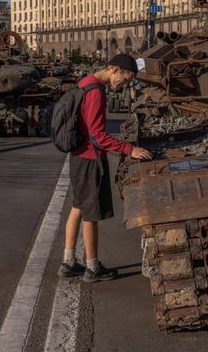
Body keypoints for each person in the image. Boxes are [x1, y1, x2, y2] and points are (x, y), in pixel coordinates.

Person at [58, 53, 153, 282]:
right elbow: (98, 136)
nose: (125, 84)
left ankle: (69, 262)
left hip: (78, 155)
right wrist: (129, 149)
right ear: (115, 70)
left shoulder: (85, 82)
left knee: (78, 207)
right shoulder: (97, 93)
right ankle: (92, 268)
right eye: (126, 79)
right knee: (91, 213)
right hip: (90, 159)